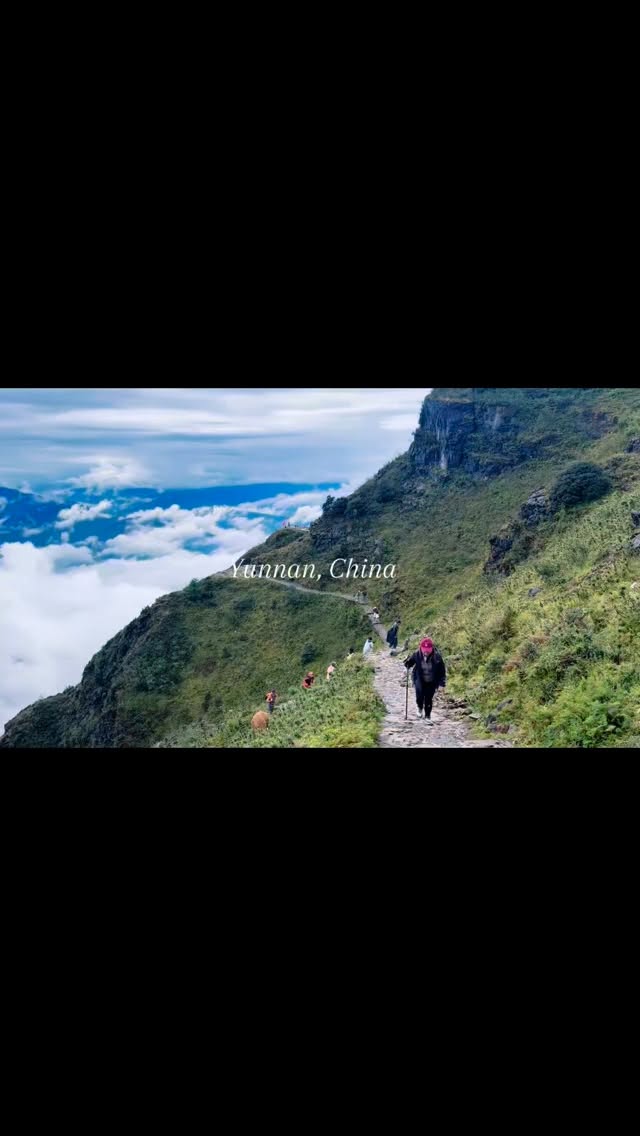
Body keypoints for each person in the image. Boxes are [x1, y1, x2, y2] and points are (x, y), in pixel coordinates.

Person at [403, 637, 446, 724]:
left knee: (429, 698)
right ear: (421, 648)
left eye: (428, 650)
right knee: (419, 695)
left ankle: (427, 715)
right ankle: (419, 707)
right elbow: (409, 663)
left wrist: (442, 684)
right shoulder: (417, 654)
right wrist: (407, 663)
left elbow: (442, 671)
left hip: (432, 680)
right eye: (424, 649)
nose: (426, 651)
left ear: (431, 648)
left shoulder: (437, 657)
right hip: (419, 678)